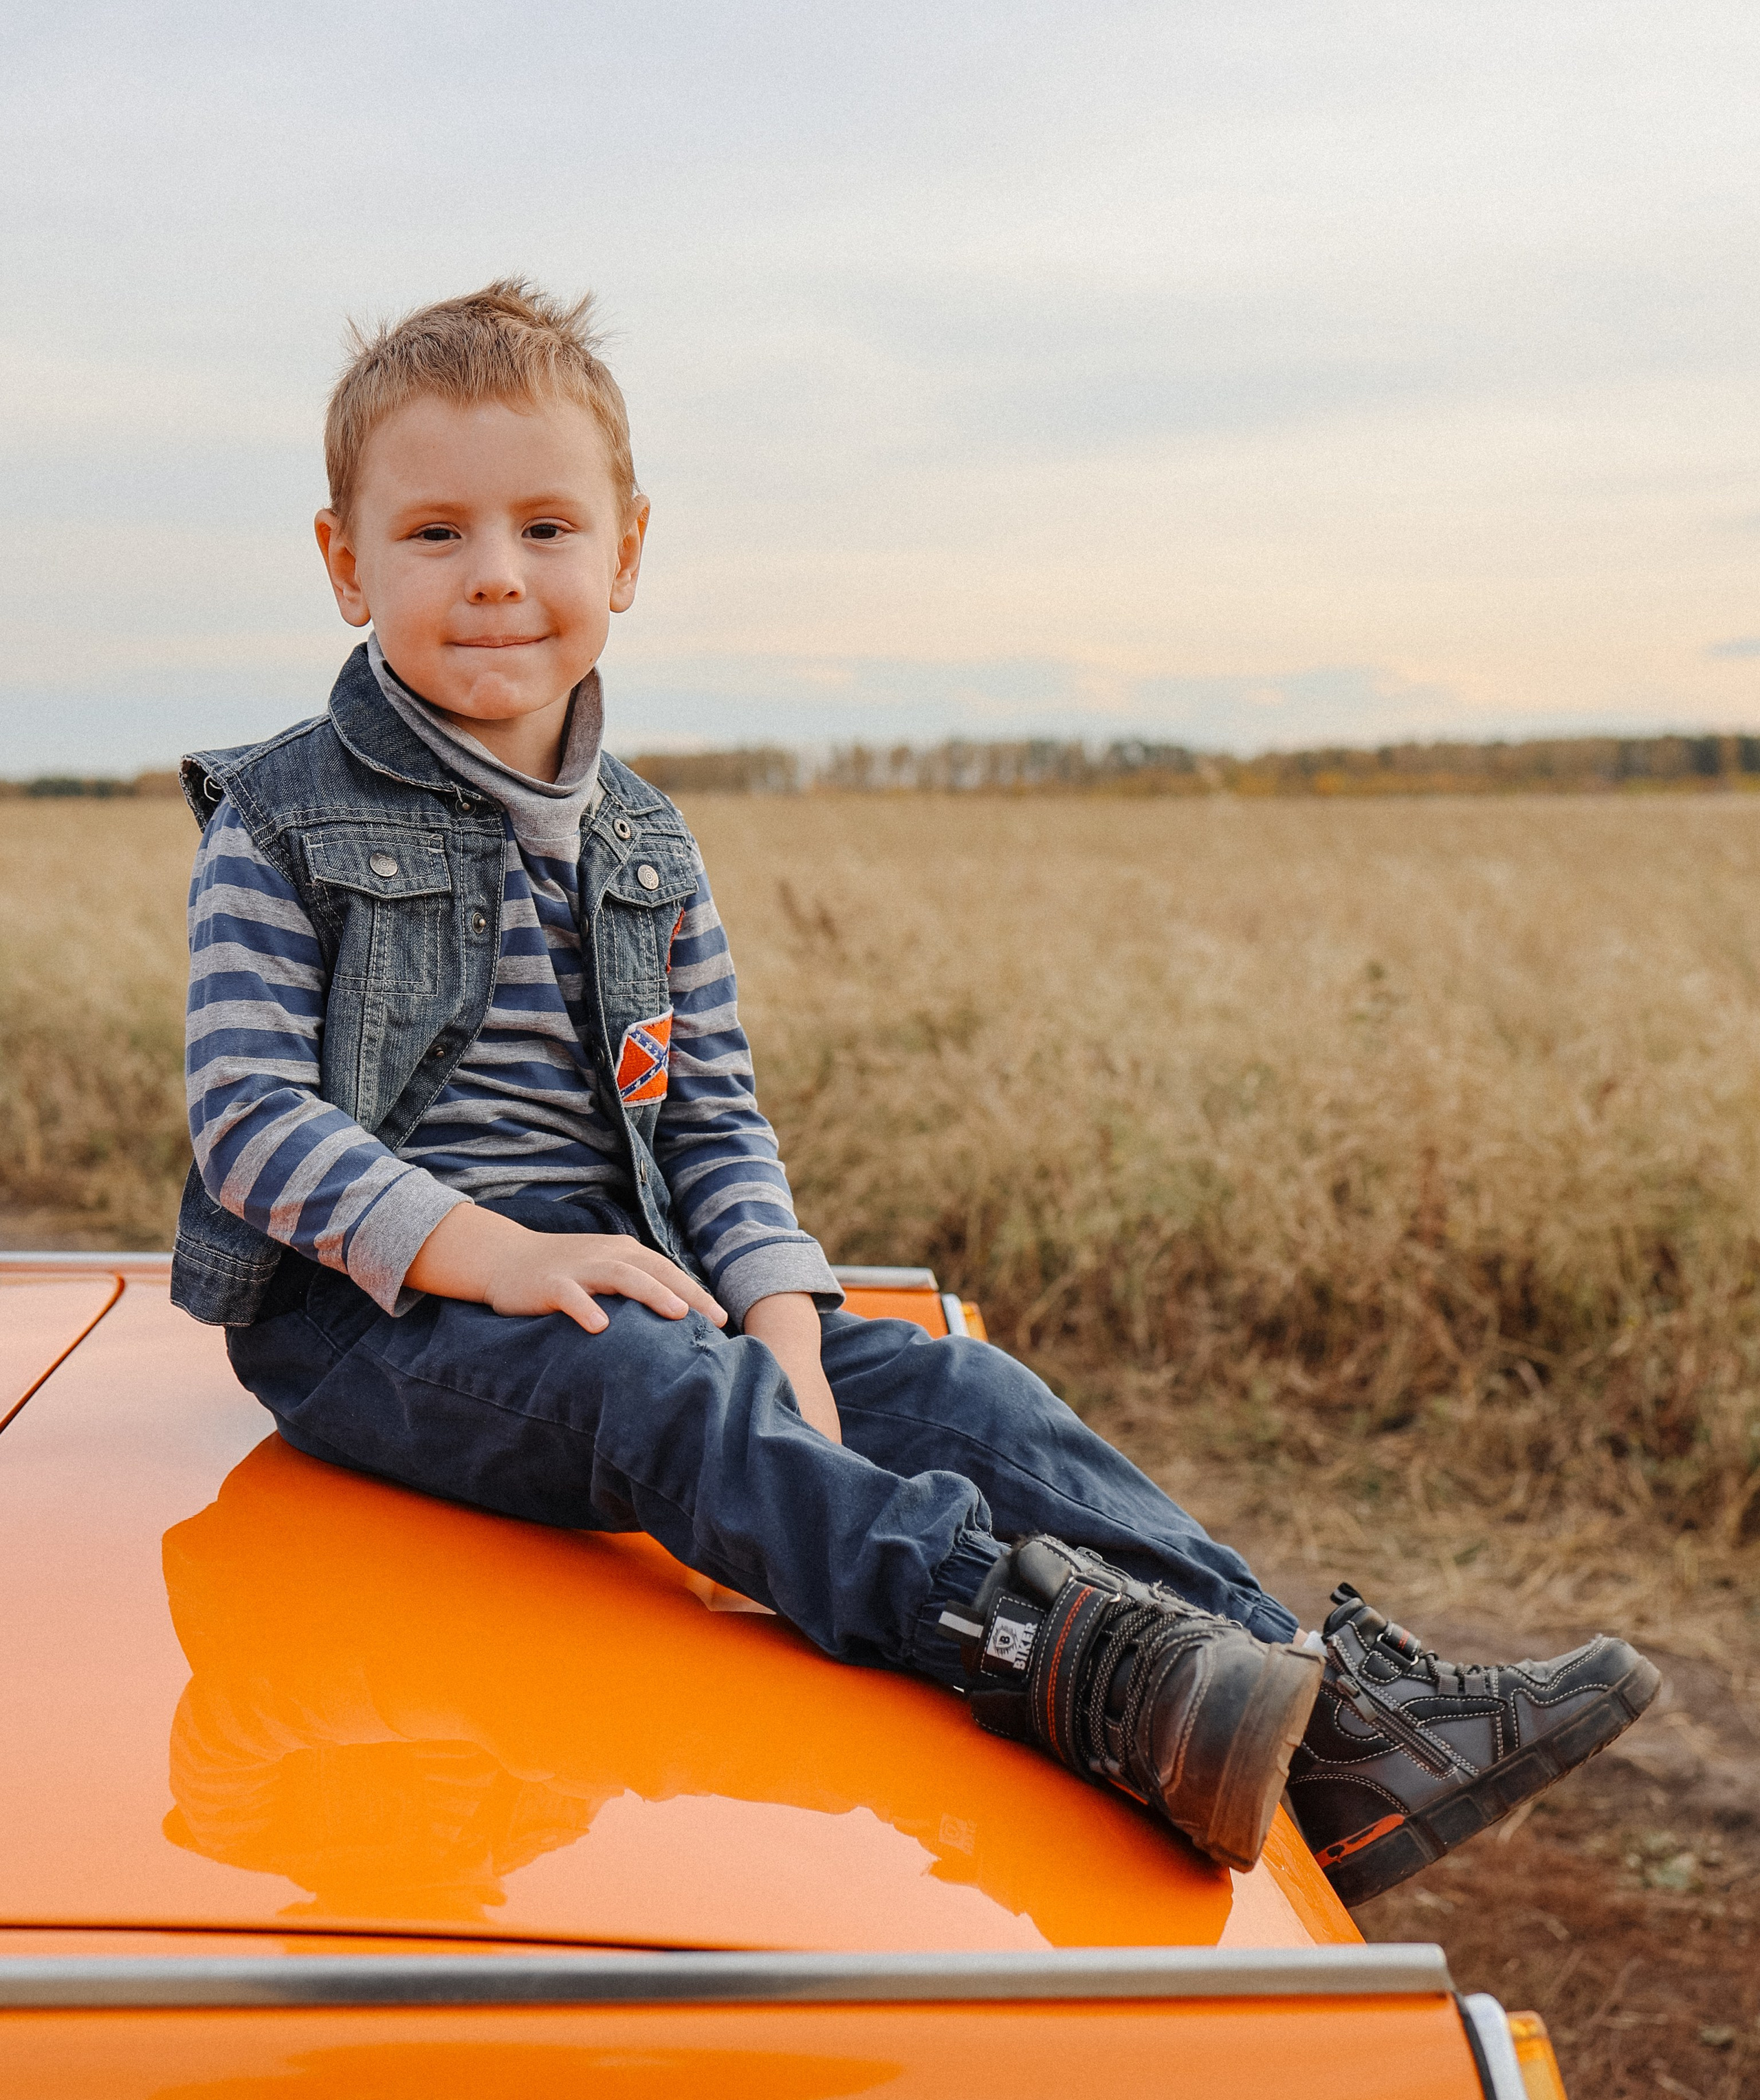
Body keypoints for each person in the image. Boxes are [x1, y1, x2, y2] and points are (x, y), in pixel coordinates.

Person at [175, 280, 1658, 1908]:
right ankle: (1050, 1648)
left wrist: (784, 1314)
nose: (500, 577)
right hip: (383, 1328)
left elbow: (714, 1120)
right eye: (436, 534)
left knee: (968, 1394)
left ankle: (1333, 1725)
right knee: (676, 1403)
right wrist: (498, 1253)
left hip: (644, 1297)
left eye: (545, 525)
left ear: (629, 552)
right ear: (344, 564)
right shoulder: (282, 819)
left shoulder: (647, 850)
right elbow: (248, 1119)